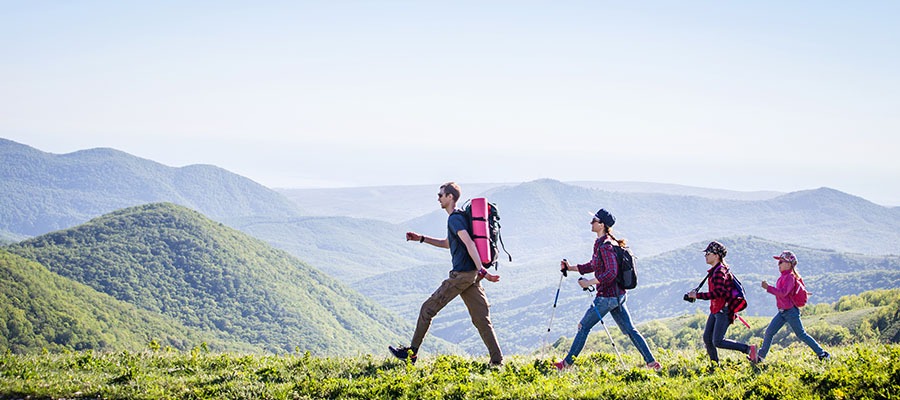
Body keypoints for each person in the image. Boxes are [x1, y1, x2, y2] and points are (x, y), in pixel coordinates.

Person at [388, 182, 503, 366]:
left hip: (462, 276)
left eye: (441, 195)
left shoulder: (455, 219)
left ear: (450, 197)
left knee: (427, 309)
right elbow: (448, 243)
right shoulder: (459, 217)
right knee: (481, 319)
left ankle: (411, 354)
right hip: (472, 276)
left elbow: (469, 243)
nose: (438, 198)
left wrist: (483, 270)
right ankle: (497, 361)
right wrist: (421, 238)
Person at [555, 209, 661, 371]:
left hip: (606, 297)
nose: (591, 223)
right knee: (630, 330)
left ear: (602, 225)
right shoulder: (602, 243)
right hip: (618, 295)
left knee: (583, 326)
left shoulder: (605, 246)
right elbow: (593, 265)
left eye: (594, 220)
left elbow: (611, 273)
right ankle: (652, 363)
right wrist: (570, 268)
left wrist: (589, 282)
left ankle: (566, 364)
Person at [686, 241, 757, 364]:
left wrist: (697, 295)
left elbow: (719, 293)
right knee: (707, 338)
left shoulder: (719, 272)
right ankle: (715, 365)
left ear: (716, 255)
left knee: (718, 341)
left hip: (723, 310)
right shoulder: (715, 270)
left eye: (708, 253)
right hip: (716, 309)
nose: (705, 256)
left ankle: (749, 349)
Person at [755, 251, 830, 363]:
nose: (778, 264)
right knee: (769, 332)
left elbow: (783, 293)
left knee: (801, 334)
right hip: (782, 312)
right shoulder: (783, 276)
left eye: (781, 262)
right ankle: (760, 357)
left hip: (790, 312)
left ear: (789, 264)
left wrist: (768, 288)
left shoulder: (790, 277)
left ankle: (822, 354)